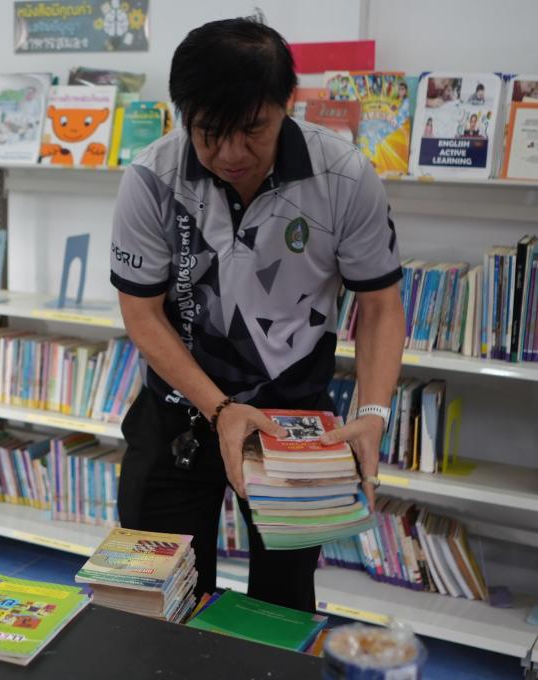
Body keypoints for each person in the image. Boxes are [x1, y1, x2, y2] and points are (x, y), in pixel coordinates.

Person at [110, 17, 405, 613]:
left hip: (294, 424)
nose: (230, 154)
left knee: (283, 605)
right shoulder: (151, 178)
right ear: (182, 114)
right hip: (178, 415)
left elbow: (380, 306)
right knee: (154, 601)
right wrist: (220, 410)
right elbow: (141, 314)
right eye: (208, 133)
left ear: (286, 103)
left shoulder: (344, 176)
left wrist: (373, 413)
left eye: (252, 130)